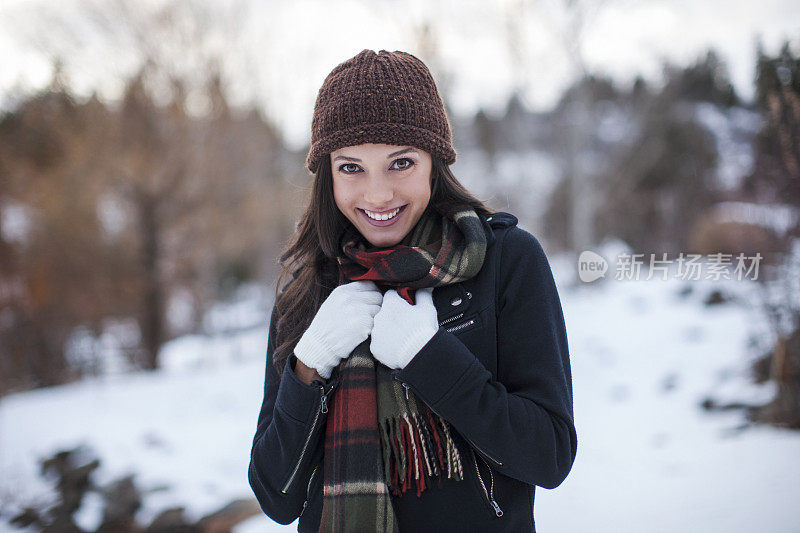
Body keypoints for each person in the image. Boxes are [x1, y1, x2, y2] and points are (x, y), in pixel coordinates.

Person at [248, 49, 577, 533]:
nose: (378, 195)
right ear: (328, 175)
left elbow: (548, 455)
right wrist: (309, 364)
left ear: (433, 161)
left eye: (400, 163)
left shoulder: (506, 260)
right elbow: (277, 497)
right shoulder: (308, 290)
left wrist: (430, 359)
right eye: (351, 167)